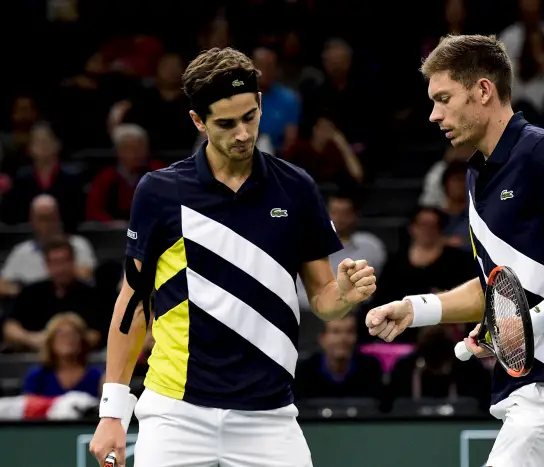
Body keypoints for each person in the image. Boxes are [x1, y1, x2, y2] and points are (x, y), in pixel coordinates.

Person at [89, 47, 377, 467]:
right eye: (226, 123)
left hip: (269, 418)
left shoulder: (296, 189)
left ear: (260, 104)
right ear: (198, 121)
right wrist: (112, 411)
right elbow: (133, 303)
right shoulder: (159, 193)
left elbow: (324, 300)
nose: (242, 133)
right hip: (175, 414)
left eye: (250, 117)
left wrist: (346, 295)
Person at [366, 34, 544, 467]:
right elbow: (495, 285)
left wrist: (530, 324)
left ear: (484, 90)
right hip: (533, 391)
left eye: (444, 98)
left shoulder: (540, 151)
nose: (434, 115)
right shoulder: (478, 174)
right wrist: (417, 309)